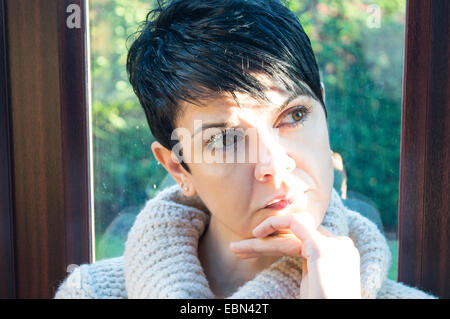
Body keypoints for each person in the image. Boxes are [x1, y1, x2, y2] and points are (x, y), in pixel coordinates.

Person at [54, 0, 435, 298]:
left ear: (323, 108)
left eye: (295, 115)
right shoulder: (91, 293)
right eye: (225, 139)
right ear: (178, 169)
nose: (275, 164)